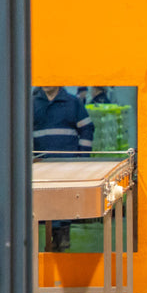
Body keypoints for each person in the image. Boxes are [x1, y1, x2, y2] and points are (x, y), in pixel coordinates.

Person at [32, 85, 94, 251]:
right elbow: (22, 132)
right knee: (46, 205)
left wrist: (82, 158)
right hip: (42, 166)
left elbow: (87, 128)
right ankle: (51, 238)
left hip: (66, 166)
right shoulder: (32, 104)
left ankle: (61, 234)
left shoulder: (72, 103)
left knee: (64, 202)